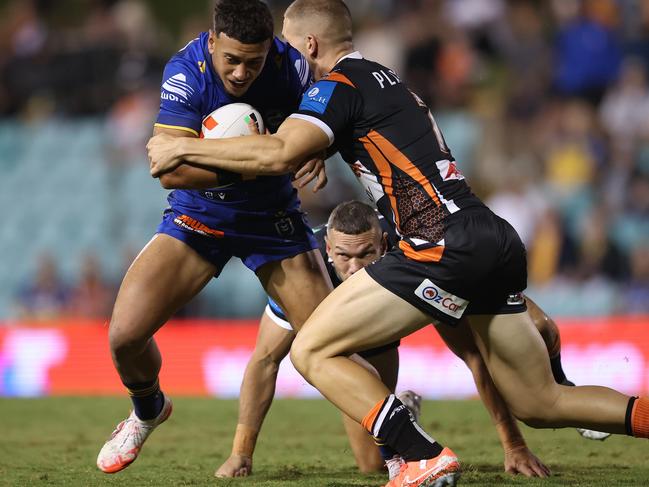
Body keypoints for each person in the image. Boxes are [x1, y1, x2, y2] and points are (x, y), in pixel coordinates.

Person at [148, 2, 649, 486]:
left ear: (311, 44)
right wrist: (315, 151)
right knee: (542, 404)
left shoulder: (336, 84)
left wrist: (182, 144)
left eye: (289, 44)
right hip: (488, 233)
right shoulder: (386, 78)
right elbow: (317, 144)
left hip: (437, 243)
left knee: (312, 348)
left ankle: (421, 455)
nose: (286, 56)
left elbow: (279, 152)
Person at [96, 0, 334, 474]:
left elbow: (323, 126)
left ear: (272, 48)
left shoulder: (293, 69)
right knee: (124, 337)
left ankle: (396, 442)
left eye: (254, 61)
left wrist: (318, 145)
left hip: (273, 219)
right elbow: (172, 171)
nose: (242, 72)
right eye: (232, 60)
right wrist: (263, 162)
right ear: (212, 41)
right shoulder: (185, 71)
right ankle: (148, 408)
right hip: (199, 216)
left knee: (331, 343)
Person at [216, 200, 607, 481]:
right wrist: (240, 453)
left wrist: (513, 445)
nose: (353, 270)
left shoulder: (412, 257)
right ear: (327, 250)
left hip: (399, 315)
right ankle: (404, 416)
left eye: (366, 255)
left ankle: (562, 383)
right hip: (349, 355)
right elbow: (265, 361)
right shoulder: (306, 276)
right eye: (343, 258)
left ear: (384, 244)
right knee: (371, 464)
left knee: (541, 325)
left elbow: (474, 357)